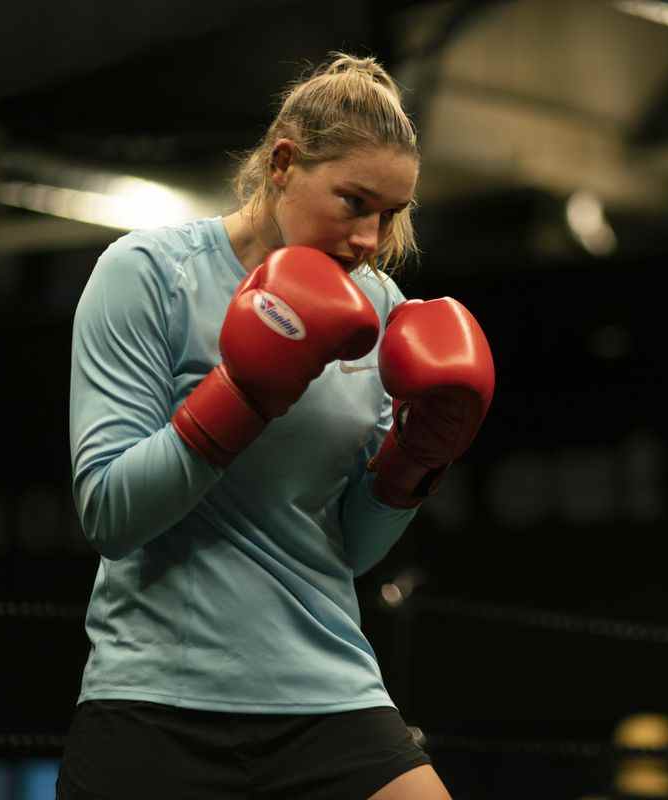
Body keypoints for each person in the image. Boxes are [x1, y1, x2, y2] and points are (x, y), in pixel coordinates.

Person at [57, 52, 494, 800]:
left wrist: (415, 461)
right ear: (284, 163)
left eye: (390, 214)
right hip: (159, 698)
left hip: (329, 693)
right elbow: (109, 515)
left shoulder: (382, 307)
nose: (369, 238)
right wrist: (244, 394)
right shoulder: (150, 275)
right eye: (354, 202)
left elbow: (349, 548)